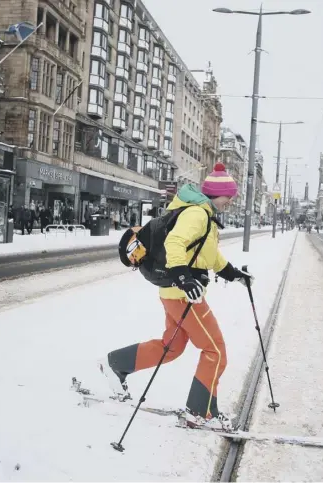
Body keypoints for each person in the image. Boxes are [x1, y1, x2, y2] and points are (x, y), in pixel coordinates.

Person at [99, 163, 253, 430]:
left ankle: (116, 363)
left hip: (174, 293)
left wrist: (233, 274)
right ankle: (200, 412)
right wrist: (184, 277)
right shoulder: (197, 214)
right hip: (183, 294)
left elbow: (210, 256)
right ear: (217, 194)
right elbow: (175, 243)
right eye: (230, 195)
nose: (231, 201)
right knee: (214, 350)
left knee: (171, 347)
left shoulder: (204, 215)